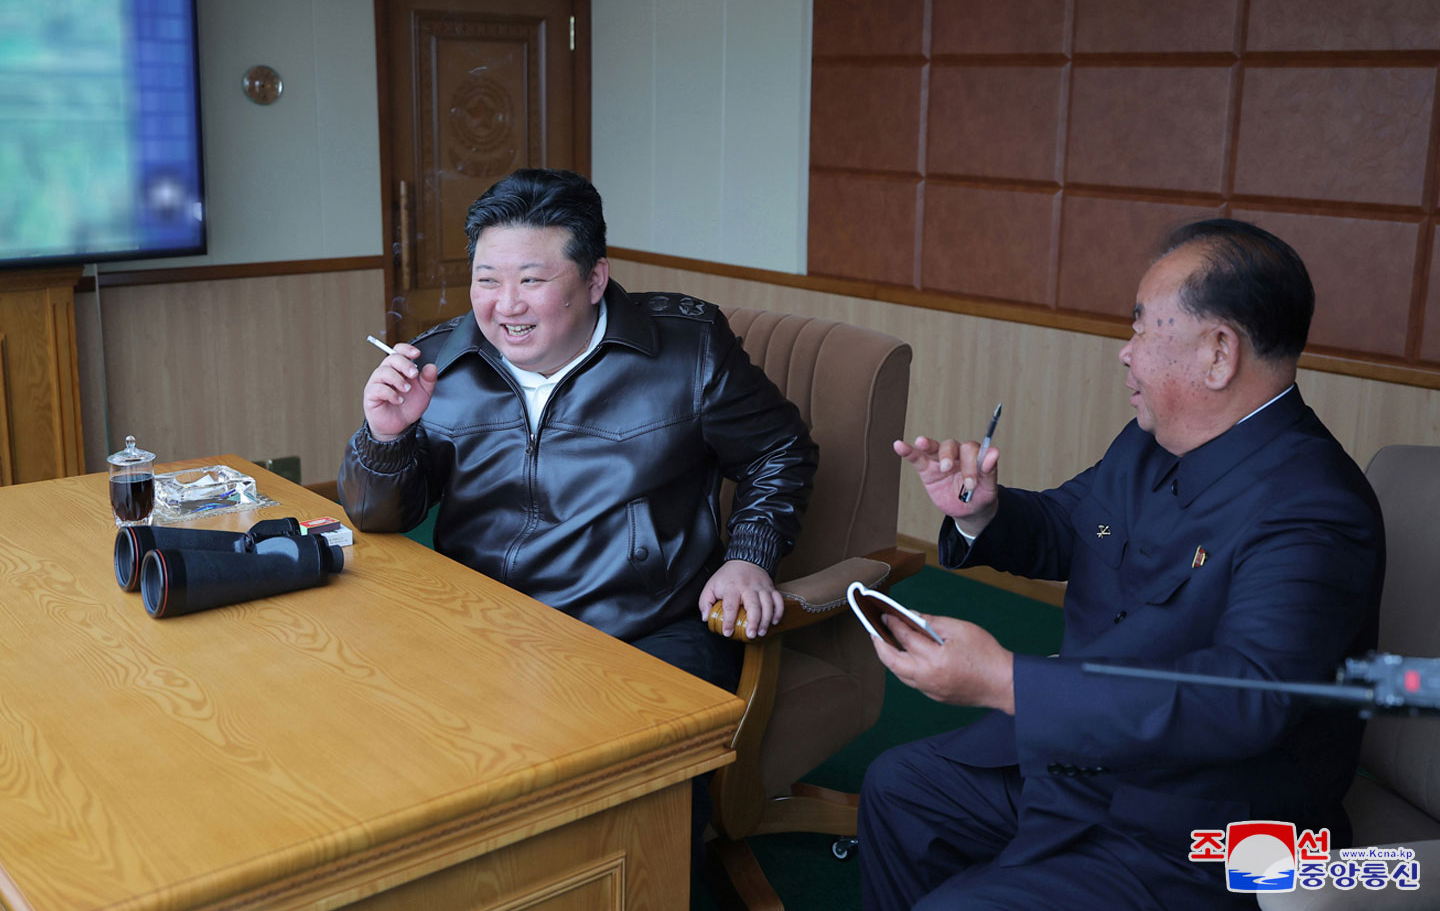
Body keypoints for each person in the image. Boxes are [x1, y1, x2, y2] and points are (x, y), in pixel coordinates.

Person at [859, 219, 1385, 910]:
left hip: (1202, 827)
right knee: (902, 788)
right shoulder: (1148, 445)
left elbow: (1245, 696)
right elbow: (1068, 527)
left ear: (1218, 353)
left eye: (1141, 329)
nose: (1124, 353)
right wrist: (981, 510)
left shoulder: (1316, 507)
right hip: (1086, 766)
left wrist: (1007, 681)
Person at [338, 168, 817, 692]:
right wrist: (385, 438)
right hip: (484, 621)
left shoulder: (688, 350)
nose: (506, 305)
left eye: (532, 280)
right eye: (487, 279)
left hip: (643, 626)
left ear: (595, 279)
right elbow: (377, 517)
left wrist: (749, 554)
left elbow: (779, 449)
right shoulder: (440, 363)